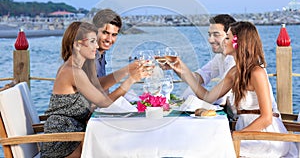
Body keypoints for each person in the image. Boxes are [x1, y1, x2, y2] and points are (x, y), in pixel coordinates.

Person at [167, 21, 297, 157]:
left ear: (238, 42)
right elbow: (207, 97)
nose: (224, 41)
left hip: (265, 136)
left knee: (211, 149)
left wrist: (235, 136)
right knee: (203, 145)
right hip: (245, 134)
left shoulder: (256, 72)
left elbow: (266, 118)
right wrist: (182, 69)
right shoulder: (234, 72)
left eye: (227, 37)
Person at [40, 22, 148, 158]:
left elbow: (98, 85)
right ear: (77, 44)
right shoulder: (73, 71)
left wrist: (127, 69)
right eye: (92, 42)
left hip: (76, 133)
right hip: (64, 140)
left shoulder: (76, 67)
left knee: (120, 142)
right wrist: (131, 79)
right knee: (120, 145)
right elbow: (104, 102)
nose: (97, 46)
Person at [181, 14, 236, 105]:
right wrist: (178, 68)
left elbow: (220, 98)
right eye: (210, 35)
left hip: (241, 116)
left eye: (216, 35)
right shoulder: (220, 56)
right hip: (231, 112)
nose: (210, 40)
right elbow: (202, 75)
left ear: (231, 36)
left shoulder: (235, 61)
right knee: (191, 90)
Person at [92, 9, 143, 96]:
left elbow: (103, 95)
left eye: (114, 35)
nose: (109, 39)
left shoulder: (101, 54)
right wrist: (128, 71)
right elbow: (96, 88)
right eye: (105, 33)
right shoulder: (87, 56)